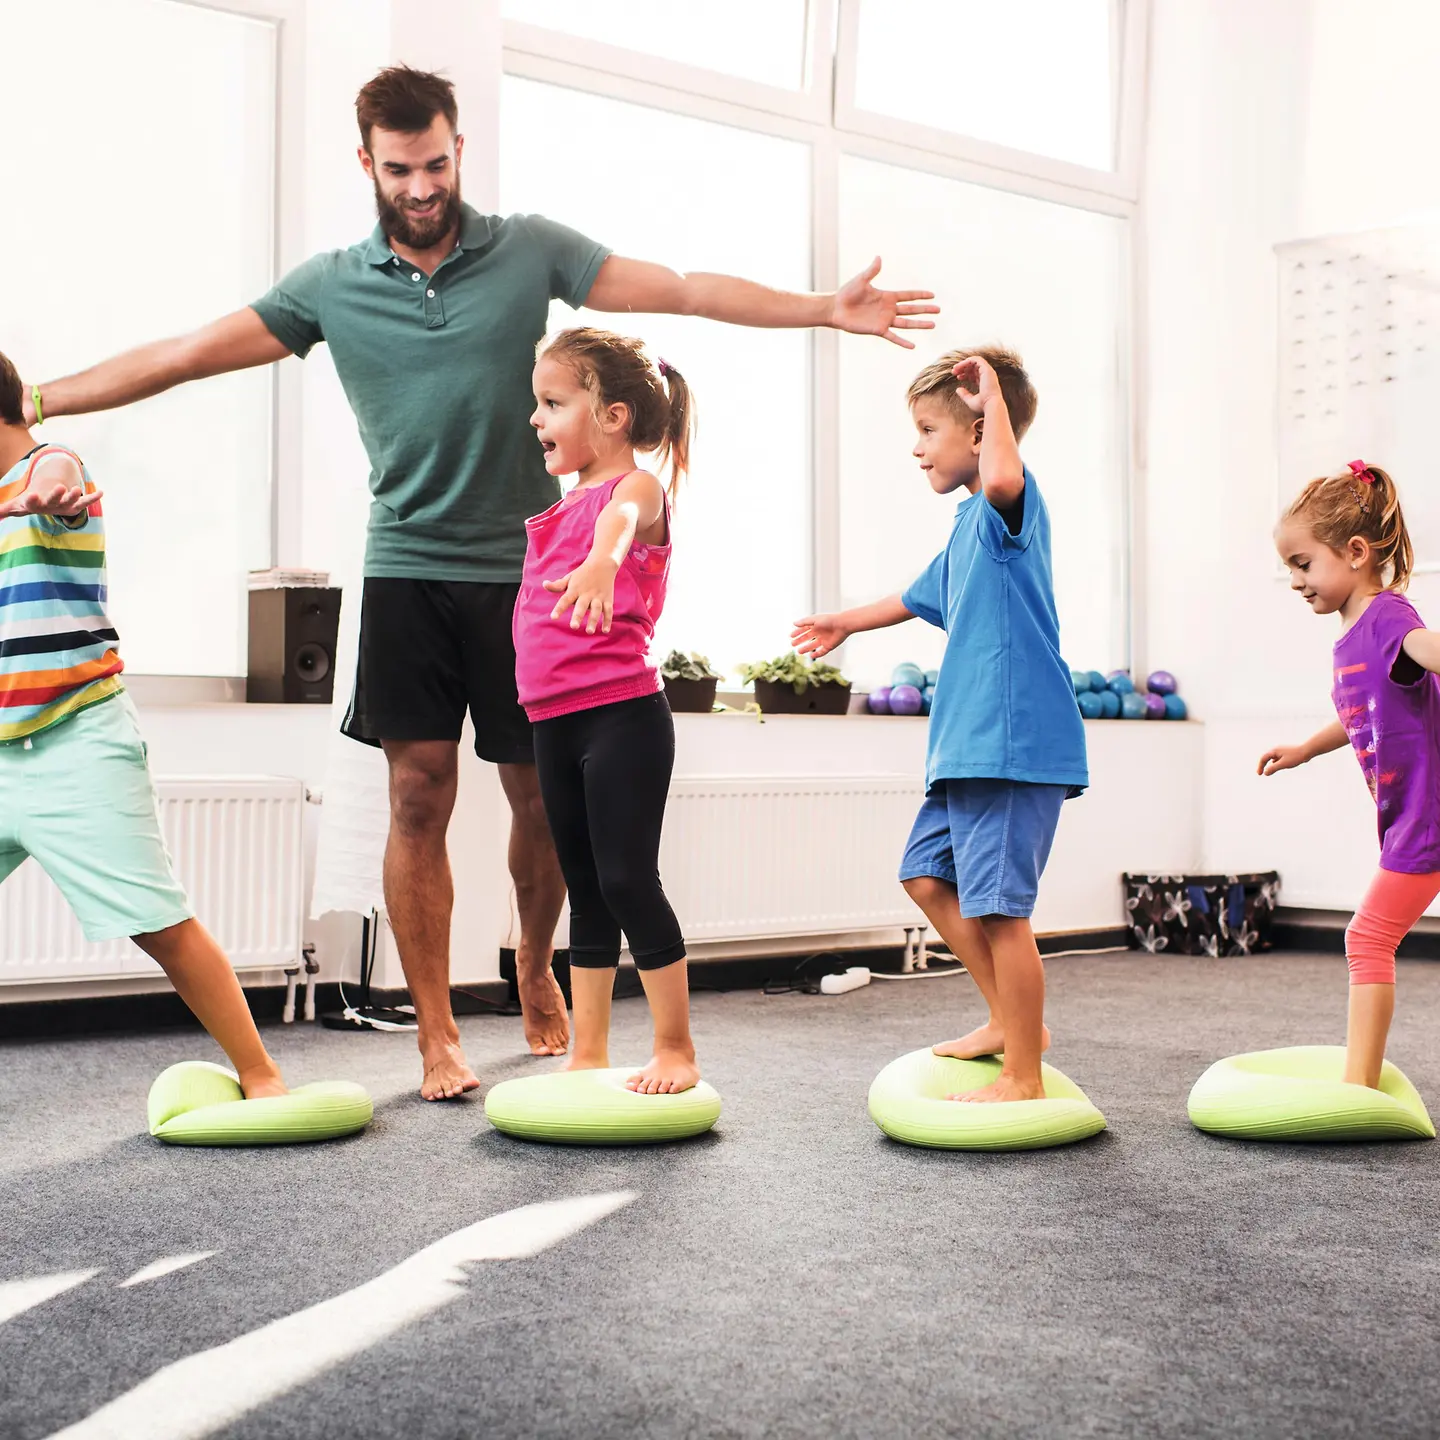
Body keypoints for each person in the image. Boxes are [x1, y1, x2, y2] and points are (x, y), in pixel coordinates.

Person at [20, 65, 938, 1102]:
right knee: (418, 793)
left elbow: (680, 288)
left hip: (532, 575)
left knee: (542, 803)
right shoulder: (330, 285)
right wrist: (33, 403)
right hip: (409, 569)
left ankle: (537, 967)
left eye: (440, 163)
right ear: (367, 163)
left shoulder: (529, 250)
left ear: (461, 152)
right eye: (402, 168)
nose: (423, 186)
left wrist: (823, 308)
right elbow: (186, 354)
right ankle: (437, 1032)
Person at [792, 348, 1088, 1103]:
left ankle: (1023, 1070)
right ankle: (1005, 1019)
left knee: (1000, 911)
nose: (916, 444)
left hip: (1012, 747)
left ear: (984, 430)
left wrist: (990, 405)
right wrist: (844, 623)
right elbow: (915, 597)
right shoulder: (966, 529)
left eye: (929, 428)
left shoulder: (1006, 508)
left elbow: (1001, 476)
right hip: (967, 748)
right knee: (925, 876)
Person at [0, 349, 287, 1100]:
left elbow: (56, 482)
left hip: (76, 741)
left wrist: (50, 493)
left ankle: (259, 1073)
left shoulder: (50, 463)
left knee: (158, 923)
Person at [515, 328, 697, 1093]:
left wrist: (601, 557)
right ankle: (588, 1051)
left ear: (614, 417)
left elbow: (625, 520)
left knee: (628, 879)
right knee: (585, 889)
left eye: (553, 403)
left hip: (622, 716)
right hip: (553, 720)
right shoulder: (569, 503)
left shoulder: (635, 491)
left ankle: (676, 1048)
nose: (537, 419)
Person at [1260, 461, 1439, 1090]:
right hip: (1409, 818)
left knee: (1367, 938)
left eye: (1303, 564)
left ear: (1356, 552)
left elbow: (1427, 652)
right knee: (1372, 937)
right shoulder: (1352, 635)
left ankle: (1358, 1085)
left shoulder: (1389, 618)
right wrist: (1307, 748)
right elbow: (1362, 713)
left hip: (1426, 819)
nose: (1294, 581)